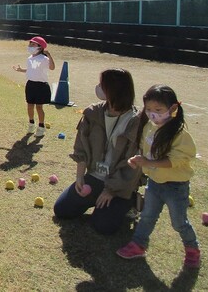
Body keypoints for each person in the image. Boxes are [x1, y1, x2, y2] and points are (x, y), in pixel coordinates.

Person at [117, 85, 200, 268]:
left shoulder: (179, 134)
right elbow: (145, 152)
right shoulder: (148, 127)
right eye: (148, 109)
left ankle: (192, 250)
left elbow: (175, 161)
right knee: (147, 215)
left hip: (175, 187)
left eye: (158, 110)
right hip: (154, 183)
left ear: (173, 109)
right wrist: (137, 160)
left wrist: (148, 163)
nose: (152, 114)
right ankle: (138, 245)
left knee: (179, 223)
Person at [53, 68, 144, 234]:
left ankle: (130, 201)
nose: (98, 88)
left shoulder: (136, 122)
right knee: (62, 210)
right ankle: (97, 200)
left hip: (119, 183)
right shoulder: (93, 113)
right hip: (95, 177)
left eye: (102, 85)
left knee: (103, 226)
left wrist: (111, 190)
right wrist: (80, 176)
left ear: (115, 90)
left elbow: (133, 164)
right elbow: (81, 147)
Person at [13, 36, 55, 138]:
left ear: (40, 47)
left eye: (33, 44)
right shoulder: (30, 58)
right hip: (30, 84)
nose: (30, 46)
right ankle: (31, 123)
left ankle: (41, 126)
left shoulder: (44, 58)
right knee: (30, 105)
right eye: (30, 44)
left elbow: (52, 67)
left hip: (41, 85)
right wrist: (21, 70)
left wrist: (49, 55)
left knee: (39, 107)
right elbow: (30, 70)